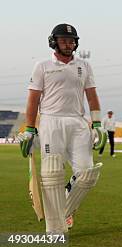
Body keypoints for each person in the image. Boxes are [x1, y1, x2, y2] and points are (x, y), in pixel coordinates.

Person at [16, 23, 106, 234]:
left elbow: (91, 95)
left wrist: (98, 123)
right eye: (64, 40)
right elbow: (33, 99)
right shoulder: (43, 66)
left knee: (87, 173)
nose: (69, 44)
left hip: (77, 122)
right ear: (54, 42)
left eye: (72, 40)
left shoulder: (84, 66)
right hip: (51, 121)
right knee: (52, 173)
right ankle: (55, 230)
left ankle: (62, 210)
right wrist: (30, 128)